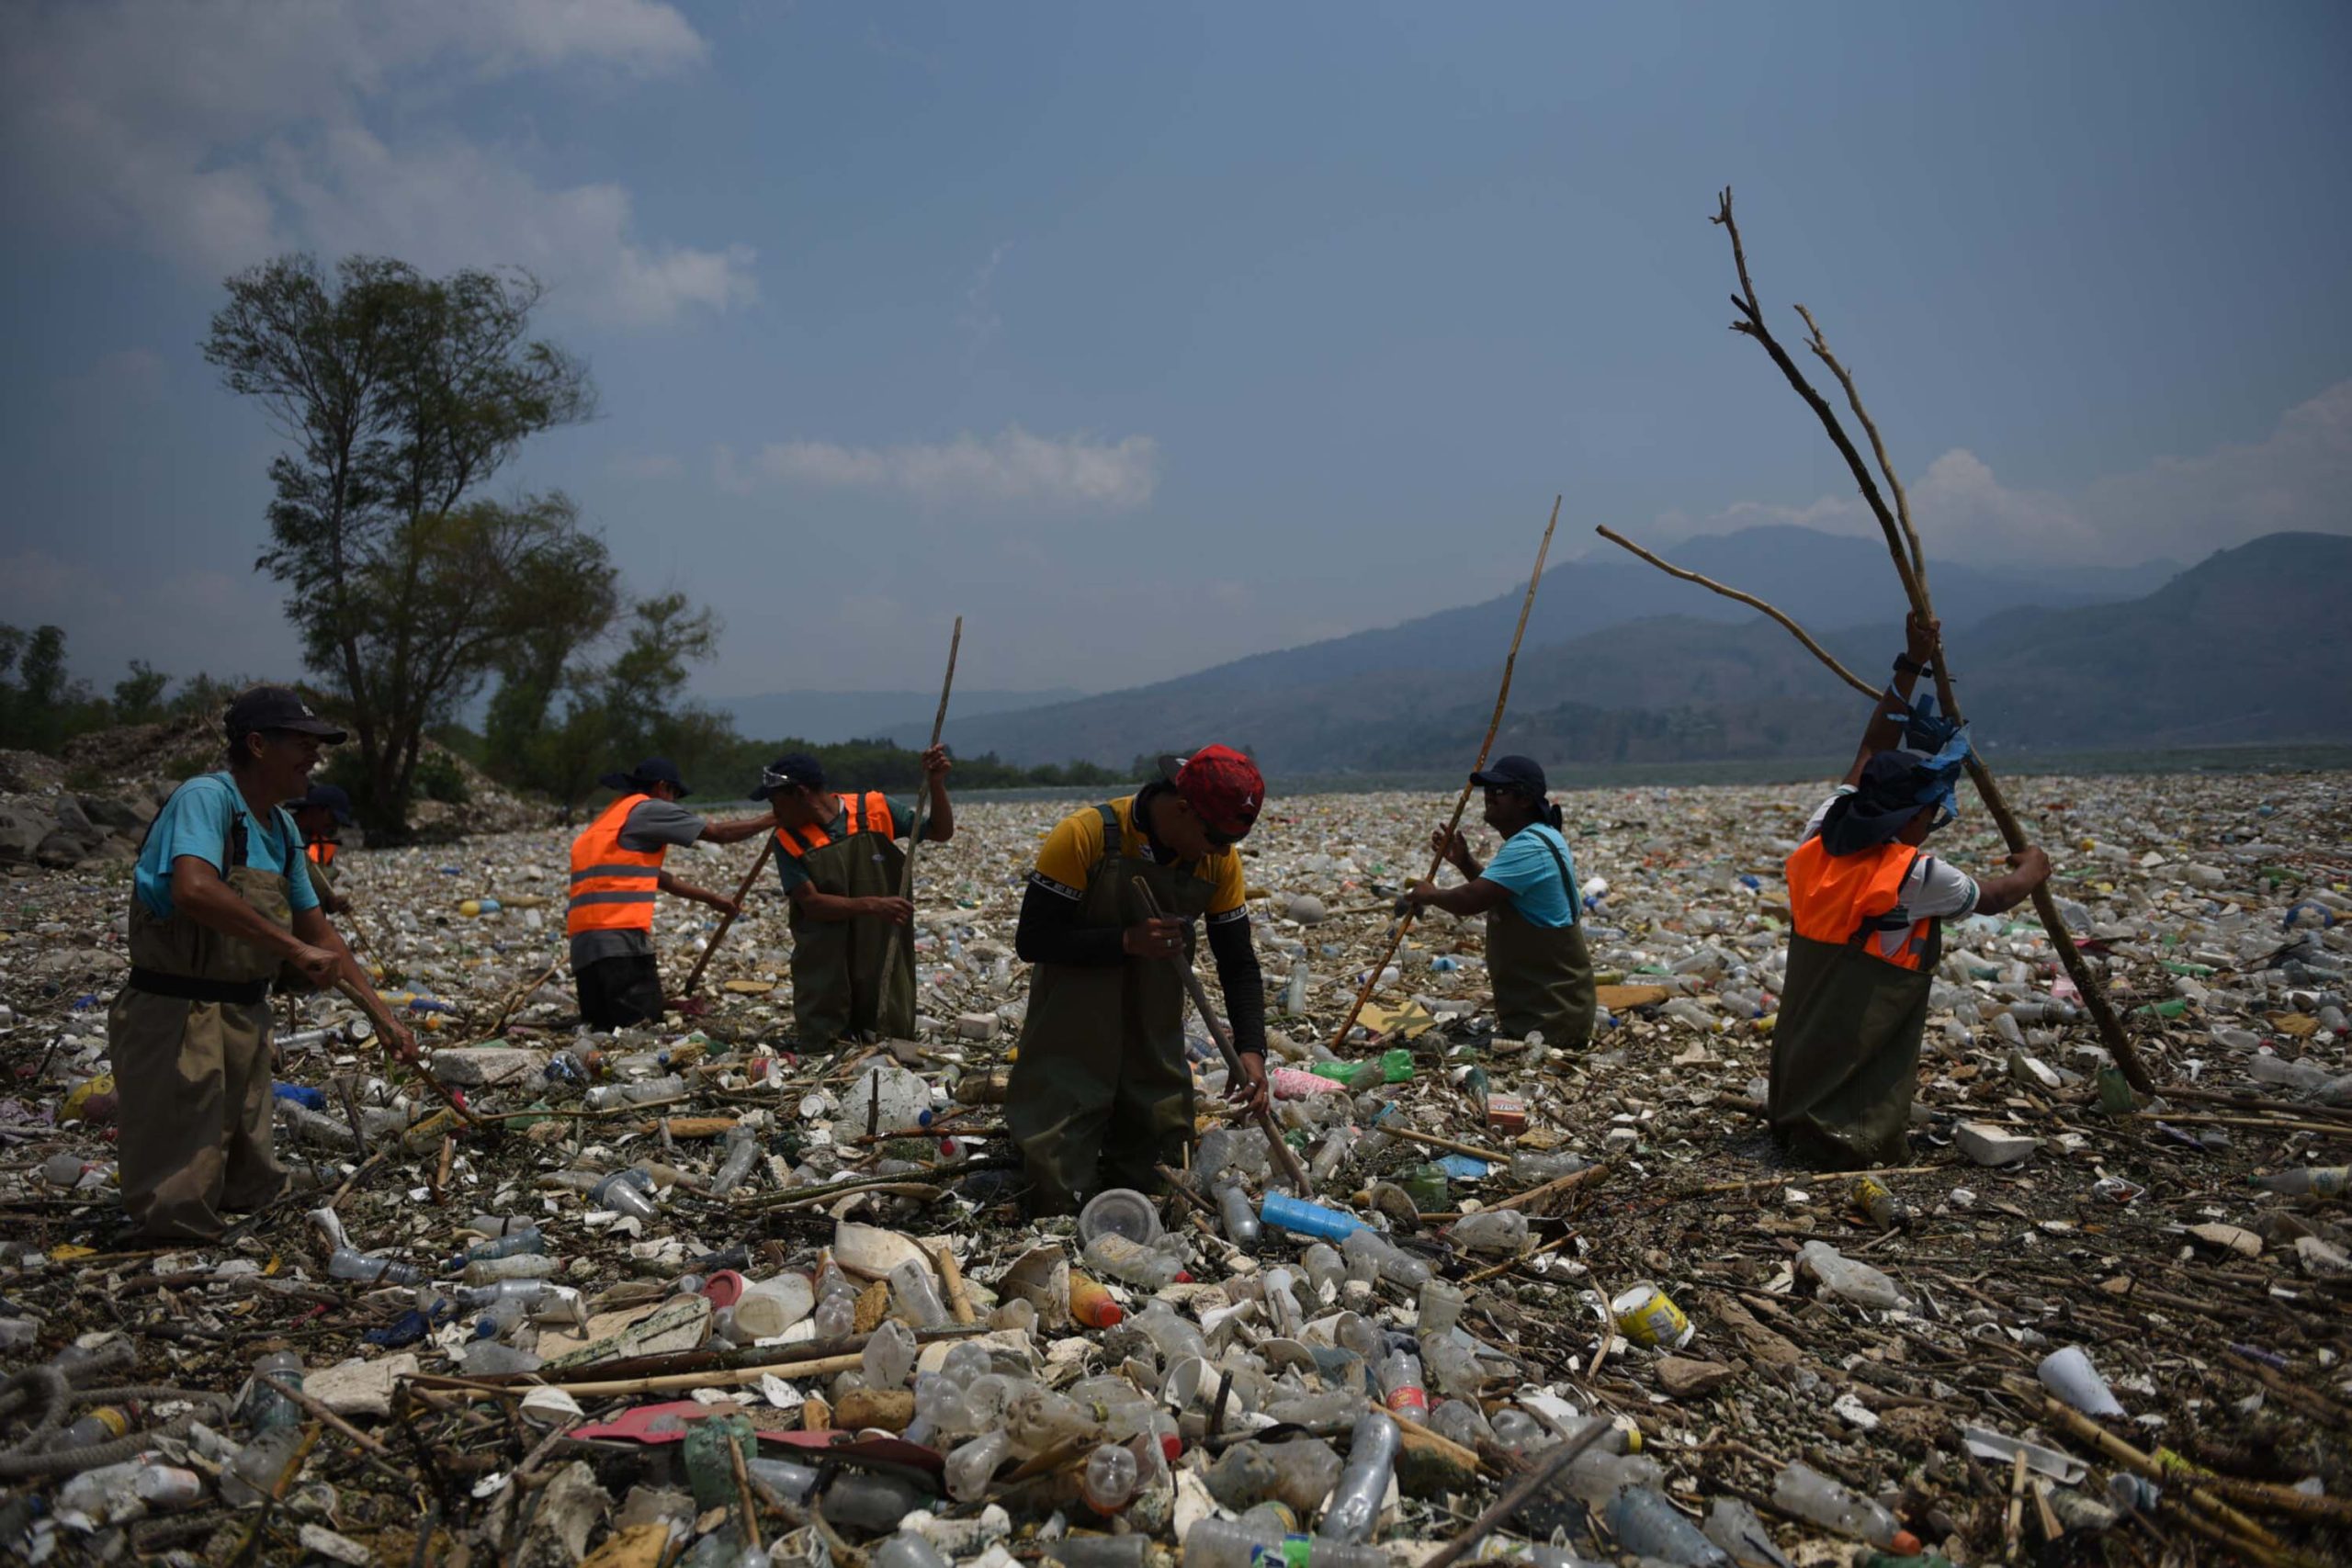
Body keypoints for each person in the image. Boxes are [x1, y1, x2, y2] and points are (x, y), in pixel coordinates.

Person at [107, 686, 417, 1241]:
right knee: (177, 1198)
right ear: (256, 745)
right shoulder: (208, 800)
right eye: (301, 743)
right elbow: (195, 889)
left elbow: (319, 930)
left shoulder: (281, 828)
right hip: (179, 1014)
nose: (314, 757)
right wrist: (293, 950)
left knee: (247, 1184)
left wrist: (382, 1015)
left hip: (244, 1018)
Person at [1770, 615, 2052, 1167]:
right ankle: (1847, 1137)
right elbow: (1993, 898)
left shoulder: (1821, 831)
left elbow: (1871, 749)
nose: (1934, 822)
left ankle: (1795, 1123)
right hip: (1854, 1031)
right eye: (1930, 813)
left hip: (1805, 1036)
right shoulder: (1910, 875)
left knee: (1812, 1050)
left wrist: (1911, 662)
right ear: (1910, 816)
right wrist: (2034, 868)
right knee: (1856, 1078)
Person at [1007, 746, 1274, 1213]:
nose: (1221, 851)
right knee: (1055, 1188)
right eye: (1214, 837)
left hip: (1153, 1029)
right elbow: (1033, 939)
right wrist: (1126, 942)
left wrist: (1252, 1049)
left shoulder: (1217, 861)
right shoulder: (1085, 836)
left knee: (1162, 1177)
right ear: (1182, 807)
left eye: (1231, 841)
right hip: (1074, 1021)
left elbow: (1237, 961)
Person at [753, 747, 956, 1049]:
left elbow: (940, 831)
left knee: (889, 1035)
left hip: (879, 945)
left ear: (800, 793)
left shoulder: (875, 808)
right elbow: (812, 904)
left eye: (775, 801)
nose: (773, 812)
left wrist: (936, 784)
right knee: (826, 1044)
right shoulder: (787, 839)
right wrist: (873, 905)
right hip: (826, 954)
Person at [566, 757, 775, 1030]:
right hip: (620, 941)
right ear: (663, 787)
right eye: (674, 795)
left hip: (584, 947)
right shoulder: (649, 809)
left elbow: (657, 877)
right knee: (641, 1028)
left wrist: (711, 899)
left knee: (603, 1031)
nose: (674, 803)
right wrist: (773, 818)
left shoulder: (609, 819)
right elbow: (719, 833)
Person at [1405, 754, 1597, 1050]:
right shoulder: (1542, 837)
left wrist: (1430, 895)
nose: (1489, 797)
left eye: (1500, 791)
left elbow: (1472, 900)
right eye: (1488, 791)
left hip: (1549, 1024)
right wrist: (1465, 862)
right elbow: (1499, 892)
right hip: (1555, 1016)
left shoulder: (1530, 846)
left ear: (1524, 799)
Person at [284, 781, 355, 916]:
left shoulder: (323, 846)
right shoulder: (280, 832)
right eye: (332, 818)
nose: (334, 827)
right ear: (315, 809)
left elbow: (321, 889)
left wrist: (333, 903)